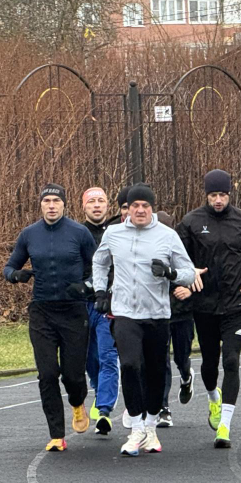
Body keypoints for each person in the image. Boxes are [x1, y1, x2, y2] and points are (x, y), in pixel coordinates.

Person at [92, 184, 195, 456]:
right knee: (129, 364)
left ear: (152, 209)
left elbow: (189, 273)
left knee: (154, 370)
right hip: (125, 312)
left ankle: (150, 426)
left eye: (145, 206)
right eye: (134, 205)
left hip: (157, 314)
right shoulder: (113, 234)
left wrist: (171, 273)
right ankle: (135, 427)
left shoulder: (168, 236)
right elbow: (100, 262)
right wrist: (101, 290)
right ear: (126, 208)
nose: (140, 210)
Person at [177, 169, 241, 448]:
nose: (218, 200)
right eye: (213, 195)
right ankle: (213, 399)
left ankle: (225, 427)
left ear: (231, 194)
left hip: (236, 304)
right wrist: (188, 272)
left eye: (223, 195)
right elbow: (178, 255)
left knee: (231, 361)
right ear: (206, 195)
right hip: (204, 304)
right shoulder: (192, 221)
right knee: (209, 365)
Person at [4, 183, 96, 452]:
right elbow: (10, 265)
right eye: (47, 202)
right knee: (47, 374)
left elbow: (97, 268)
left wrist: (87, 287)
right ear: (41, 205)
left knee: (73, 375)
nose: (52, 206)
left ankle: (78, 403)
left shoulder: (79, 233)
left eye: (57, 201)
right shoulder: (29, 234)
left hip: (73, 310)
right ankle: (57, 434)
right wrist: (15, 276)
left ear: (65, 204)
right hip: (42, 311)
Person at [80, 186, 122, 435]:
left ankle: (104, 410)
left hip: (110, 302)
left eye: (101, 201)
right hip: (82, 304)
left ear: (108, 206)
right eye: (91, 201)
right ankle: (98, 389)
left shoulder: (118, 232)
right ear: (83, 207)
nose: (97, 205)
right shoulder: (76, 232)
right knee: (89, 358)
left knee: (108, 356)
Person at [153, 211, 196, 428]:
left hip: (182, 312)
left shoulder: (181, 247)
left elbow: (196, 274)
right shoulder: (147, 248)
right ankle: (163, 408)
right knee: (161, 359)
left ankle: (187, 377)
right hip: (159, 312)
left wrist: (189, 291)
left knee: (181, 357)